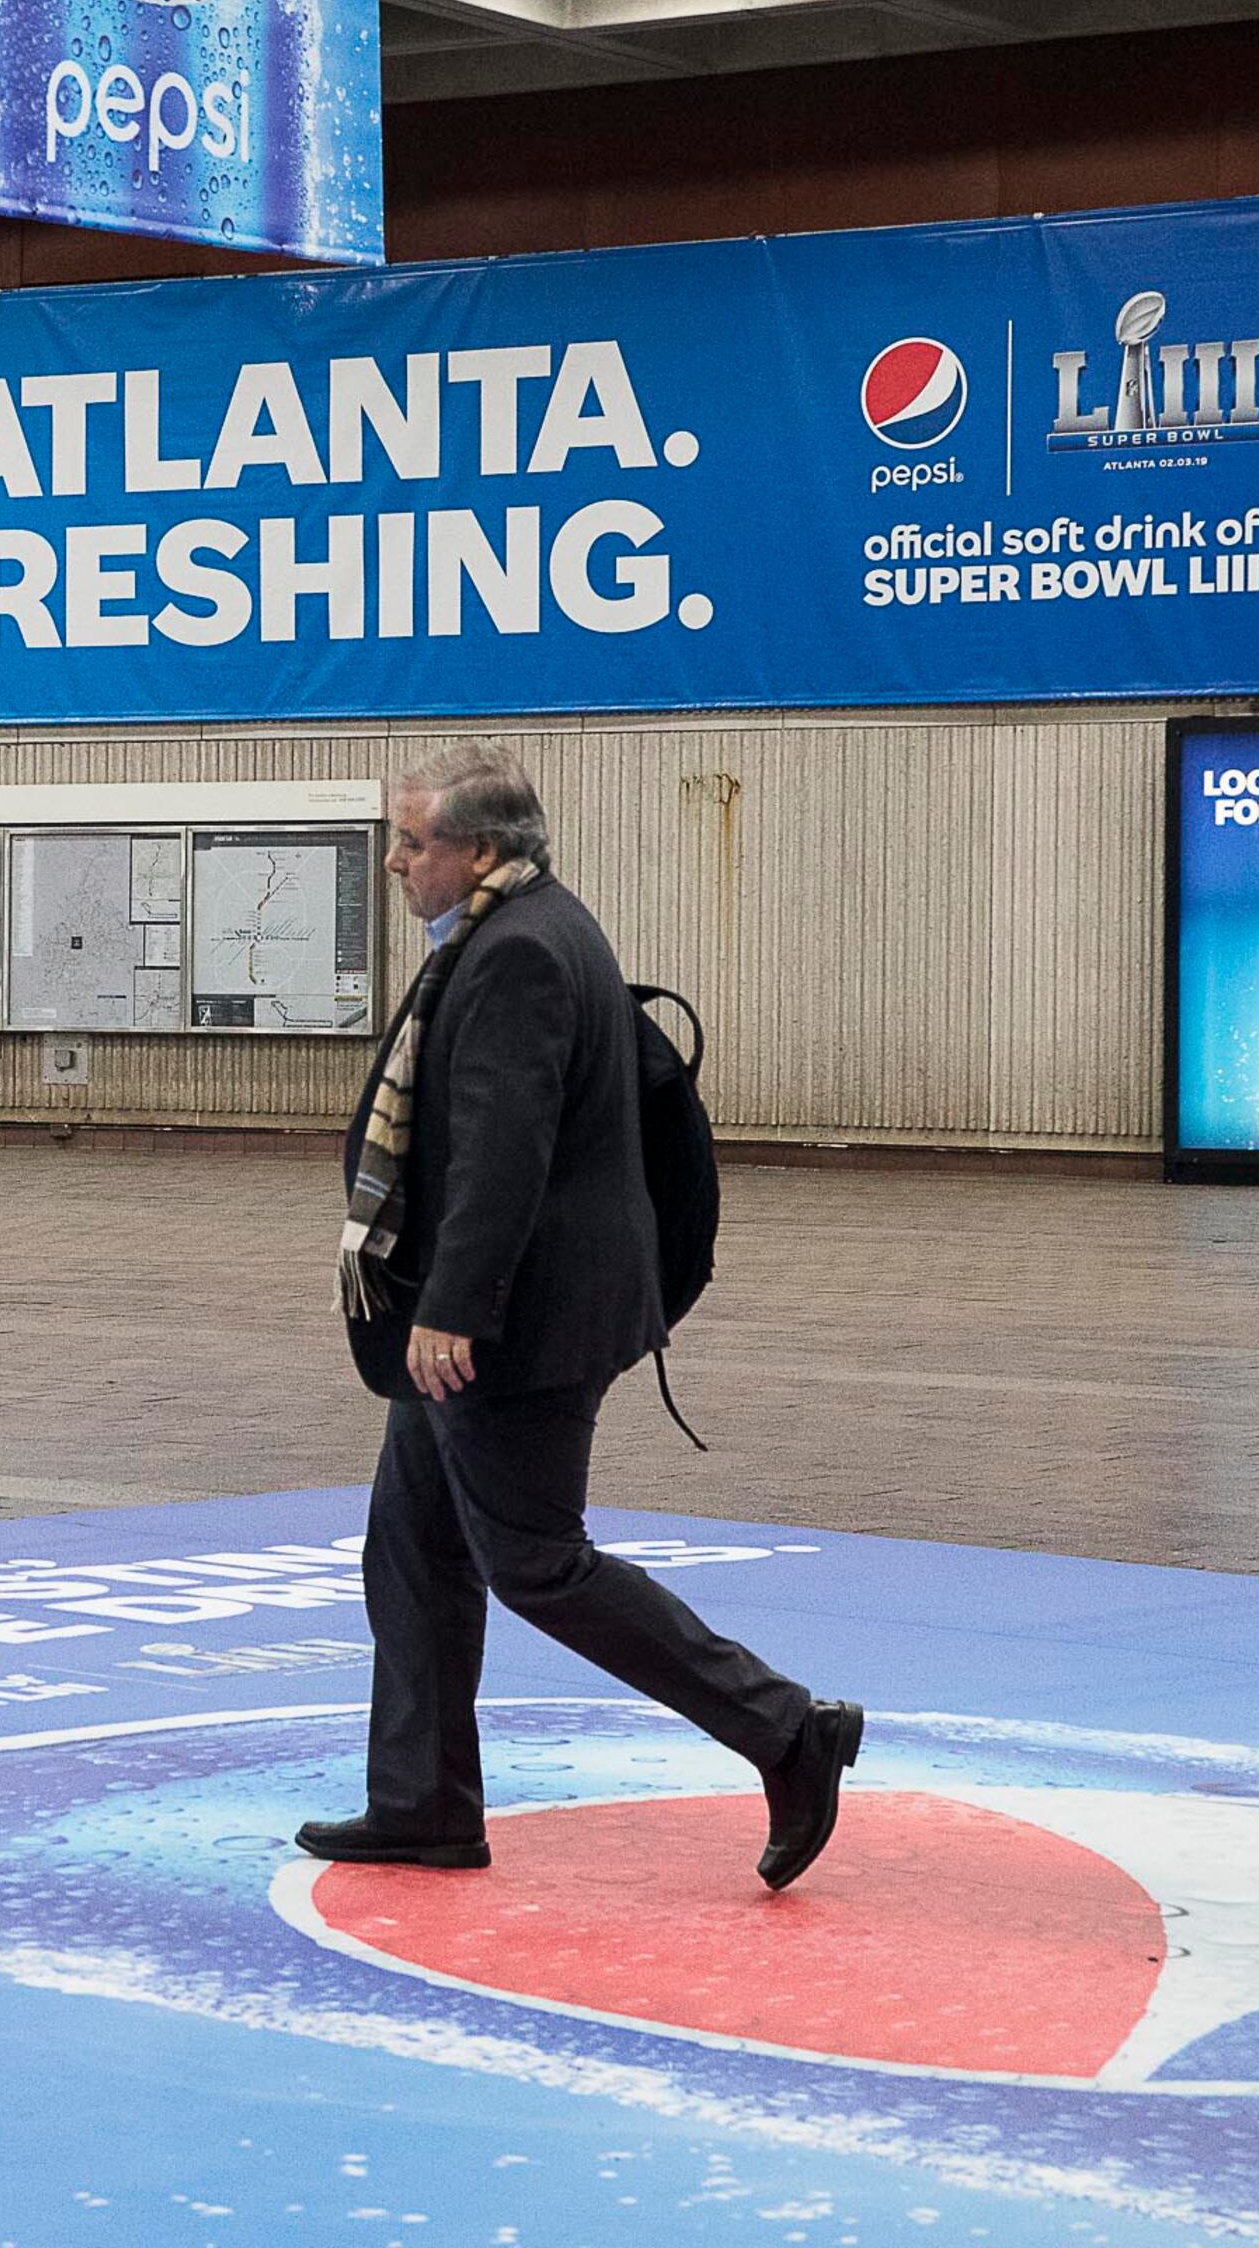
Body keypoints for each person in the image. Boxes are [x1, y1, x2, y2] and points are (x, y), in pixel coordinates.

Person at [299, 742, 861, 1890]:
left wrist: (452, 1309)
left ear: (485, 850)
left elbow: (505, 1154)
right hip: (507, 1308)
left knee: (539, 1562)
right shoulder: (510, 929)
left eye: (415, 843)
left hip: (516, 1325)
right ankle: (423, 1803)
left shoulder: (517, 955)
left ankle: (787, 1729)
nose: (397, 863)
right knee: (411, 1549)